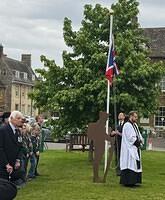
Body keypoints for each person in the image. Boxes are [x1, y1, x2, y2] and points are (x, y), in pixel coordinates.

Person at [0, 111, 24, 186]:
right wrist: (6, 164)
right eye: (18, 118)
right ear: (11, 119)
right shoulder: (3, 130)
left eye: (21, 118)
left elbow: (20, 147)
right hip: (3, 165)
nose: (21, 120)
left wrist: (18, 160)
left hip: (13, 165)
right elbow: (0, 148)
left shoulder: (18, 132)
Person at [120, 111, 144, 187]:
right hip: (129, 148)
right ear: (131, 116)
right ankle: (128, 182)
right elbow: (130, 137)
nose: (136, 118)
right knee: (130, 164)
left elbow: (138, 134)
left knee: (135, 164)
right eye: (135, 117)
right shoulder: (127, 125)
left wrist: (140, 140)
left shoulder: (135, 125)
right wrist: (137, 141)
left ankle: (134, 181)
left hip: (135, 147)